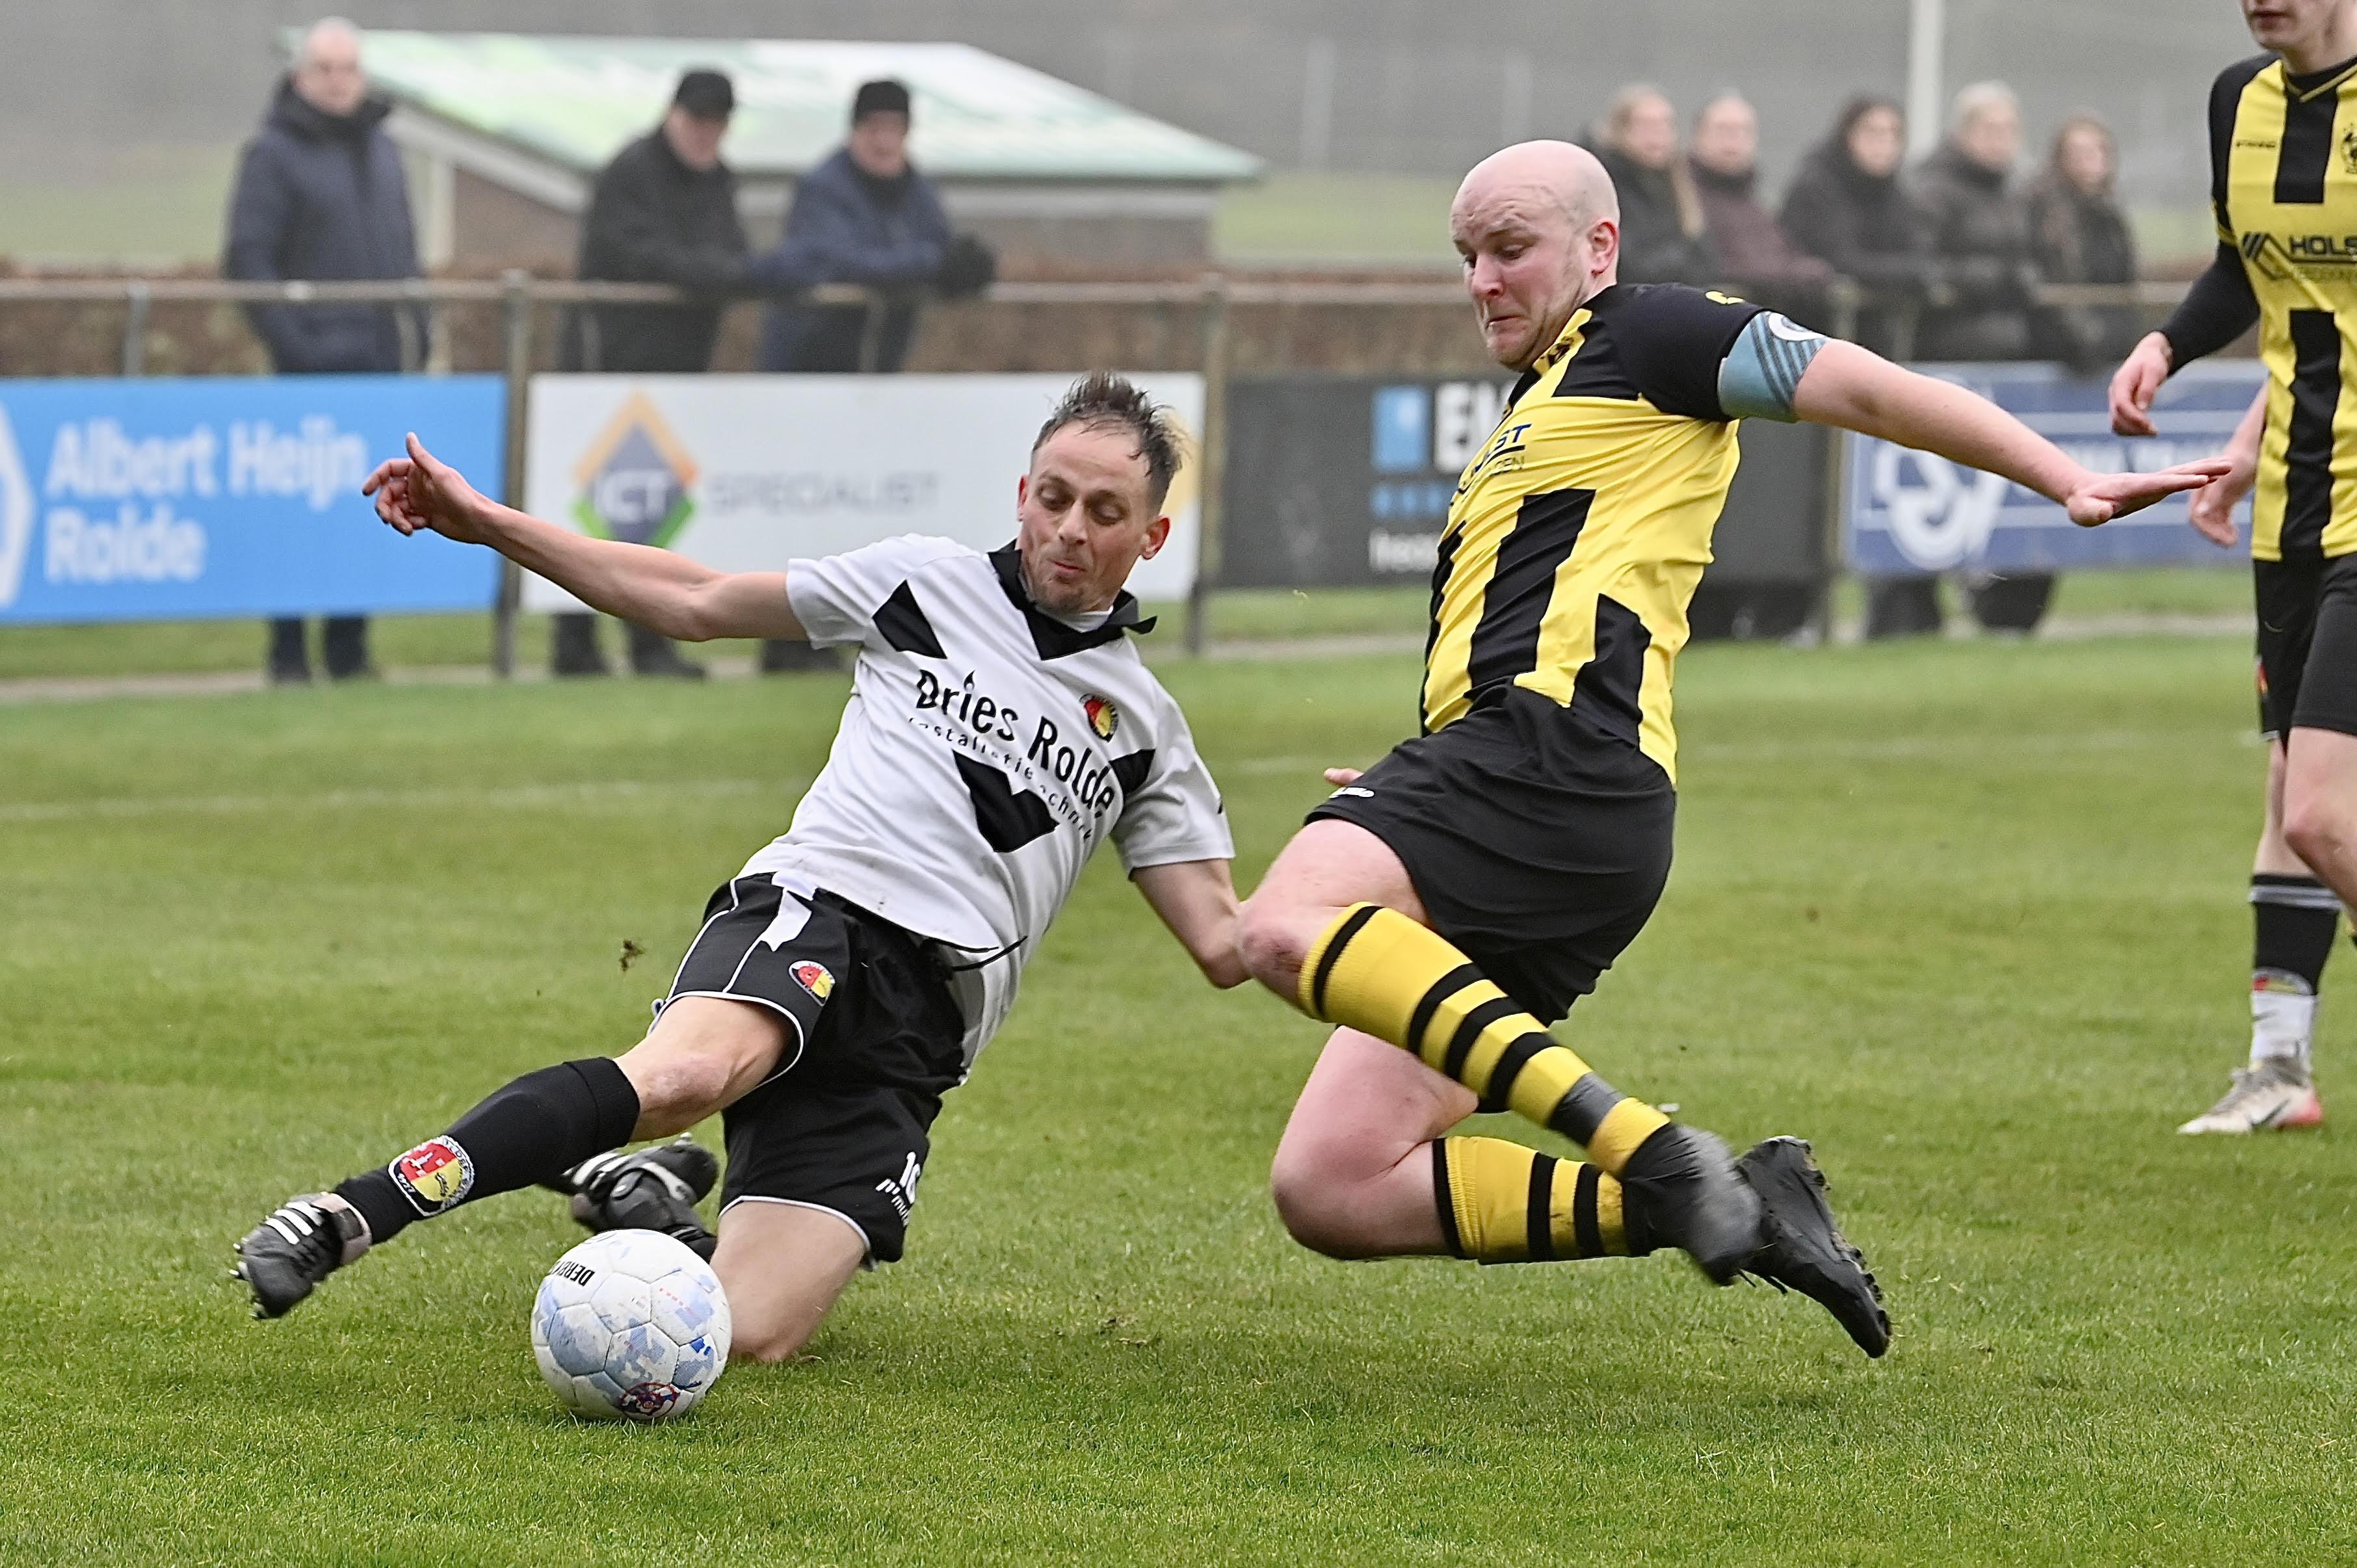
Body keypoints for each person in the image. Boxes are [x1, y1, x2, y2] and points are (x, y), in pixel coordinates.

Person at [1228, 140, 2223, 1359]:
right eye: (1467, 257)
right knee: (1329, 1186)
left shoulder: (1651, 333)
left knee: (1275, 927)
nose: (1482, 279)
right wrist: (1422, 770)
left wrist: (2060, 474)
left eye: (1509, 248)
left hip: (1557, 762)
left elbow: (1858, 384)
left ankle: (1645, 1145)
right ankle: (1740, 1211)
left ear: (1600, 248)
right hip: (1526, 783)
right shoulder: (1540, 399)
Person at [234, 373, 1245, 1363]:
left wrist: (1377, 835)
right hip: (823, 911)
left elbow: (1229, 941)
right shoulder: (925, 582)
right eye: (1055, 497)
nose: (1071, 528)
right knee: (686, 1076)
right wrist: (491, 523)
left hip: (920, 1034)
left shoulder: (1146, 729)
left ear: (1150, 536)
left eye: (1105, 510)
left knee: (745, 1334)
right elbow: (699, 600)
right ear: (1023, 495)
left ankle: (641, 1196)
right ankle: (348, 1214)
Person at [2111, 0, 2357, 1135]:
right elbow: (2254, 280)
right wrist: (2166, 344)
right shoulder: (2237, 100)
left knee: (2322, 811)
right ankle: (2281, 1069)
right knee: (2286, 792)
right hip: (2292, 515)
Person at [553, 68, 767, 681]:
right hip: (610, 364)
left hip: (677, 371)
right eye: (699, 121)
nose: (707, 136)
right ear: (674, 114)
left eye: (718, 125)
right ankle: (576, 644)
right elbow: (635, 255)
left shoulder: (718, 181)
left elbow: (731, 253)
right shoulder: (630, 172)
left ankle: (647, 641)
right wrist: (708, 274)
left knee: (651, 516)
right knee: (591, 515)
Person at [224, 18, 421, 686]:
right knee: (296, 515)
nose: (338, 81)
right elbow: (249, 259)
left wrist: (412, 332)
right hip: (308, 373)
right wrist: (295, 345)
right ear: (301, 75)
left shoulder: (385, 151)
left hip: (378, 364)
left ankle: (349, 649)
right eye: (325, 68)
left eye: (349, 68)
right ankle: (287, 653)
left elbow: (405, 254)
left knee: (373, 510)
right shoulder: (273, 154)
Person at [753, 77, 956, 675]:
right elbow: (838, 258)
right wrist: (932, 266)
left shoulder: (913, 190)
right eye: (875, 128)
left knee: (842, 522)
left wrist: (954, 266)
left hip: (868, 381)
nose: (885, 141)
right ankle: (785, 642)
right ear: (855, 130)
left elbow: (937, 248)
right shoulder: (824, 187)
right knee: (799, 514)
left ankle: (823, 634)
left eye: (895, 129)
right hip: (806, 372)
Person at [1781, 96, 1950, 637]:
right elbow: (1842, 262)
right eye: (1871, 131)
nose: (1882, 143)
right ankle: (1803, 618)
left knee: (1882, 489)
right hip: (1812, 365)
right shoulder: (1816, 188)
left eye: (1891, 133)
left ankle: (1897, 615)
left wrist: (1901, 275)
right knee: (1816, 496)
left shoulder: (1897, 196)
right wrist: (1902, 276)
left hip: (1880, 360)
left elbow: (1920, 260)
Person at [1688, 94, 1833, 318]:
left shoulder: (1754, 203)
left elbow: (1785, 256)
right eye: (1723, 129)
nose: (1733, 140)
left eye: (1743, 131)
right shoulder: (1685, 199)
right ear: (1698, 136)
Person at [2025, 114, 2144, 371]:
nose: (2088, 159)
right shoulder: (2044, 214)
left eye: (2096, 150)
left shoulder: (2112, 217)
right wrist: (2086, 339)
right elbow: (2053, 282)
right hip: (2066, 352)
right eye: (2078, 151)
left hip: (2113, 346)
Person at [1590, 85, 1715, 286]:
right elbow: (1628, 263)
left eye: (1666, 125)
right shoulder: (1605, 183)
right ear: (1620, 129)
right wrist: (1682, 256)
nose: (1658, 134)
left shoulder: (1679, 184)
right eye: (1646, 125)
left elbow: (1706, 258)